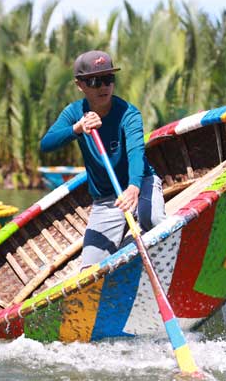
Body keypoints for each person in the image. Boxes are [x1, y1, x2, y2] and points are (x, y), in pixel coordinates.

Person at [40, 50, 165, 267]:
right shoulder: (73, 113)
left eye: (108, 79)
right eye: (95, 81)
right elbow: (46, 144)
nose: (103, 87)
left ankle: (146, 246)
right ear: (80, 85)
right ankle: (128, 247)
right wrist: (77, 129)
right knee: (90, 268)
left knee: (154, 221)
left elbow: (136, 153)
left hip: (141, 184)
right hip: (107, 198)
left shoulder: (129, 113)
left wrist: (133, 187)